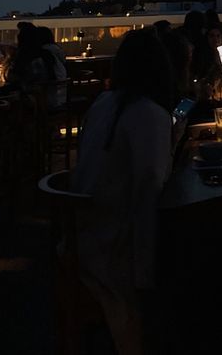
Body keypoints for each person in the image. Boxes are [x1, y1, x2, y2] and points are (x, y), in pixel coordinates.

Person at [71, 30, 174, 355]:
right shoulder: (148, 114)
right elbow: (151, 188)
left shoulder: (103, 103)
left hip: (81, 232)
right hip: (114, 245)